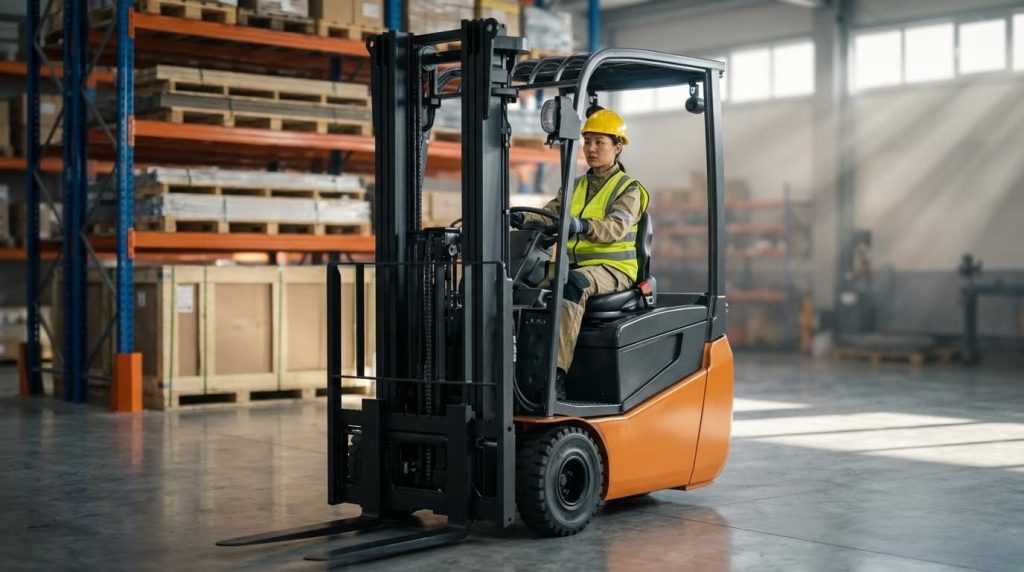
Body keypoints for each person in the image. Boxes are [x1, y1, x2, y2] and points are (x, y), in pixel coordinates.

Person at [515, 108, 649, 399]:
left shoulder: (629, 189)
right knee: (520, 282)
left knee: (572, 284)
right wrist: (522, 218)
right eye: (587, 141)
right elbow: (549, 215)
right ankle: (517, 368)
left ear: (617, 147)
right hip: (575, 266)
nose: (591, 149)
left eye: (599, 142)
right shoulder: (574, 186)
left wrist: (582, 225)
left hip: (614, 271)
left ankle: (555, 377)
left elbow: (615, 227)